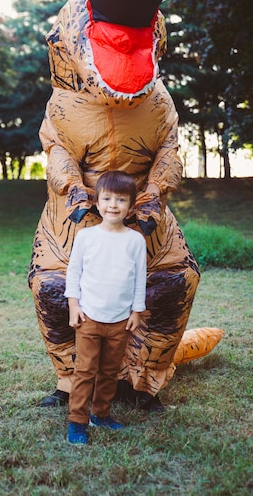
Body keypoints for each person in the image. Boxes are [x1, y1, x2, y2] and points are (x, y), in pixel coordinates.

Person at [64, 171, 146, 445]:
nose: (113, 204)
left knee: (110, 371)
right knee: (85, 371)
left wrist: (136, 311)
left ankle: (101, 413)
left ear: (130, 206)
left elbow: (139, 279)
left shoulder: (135, 241)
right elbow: (73, 273)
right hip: (89, 317)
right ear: (97, 203)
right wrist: (73, 306)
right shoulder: (86, 237)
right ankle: (77, 421)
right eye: (107, 198)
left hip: (120, 321)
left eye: (121, 200)